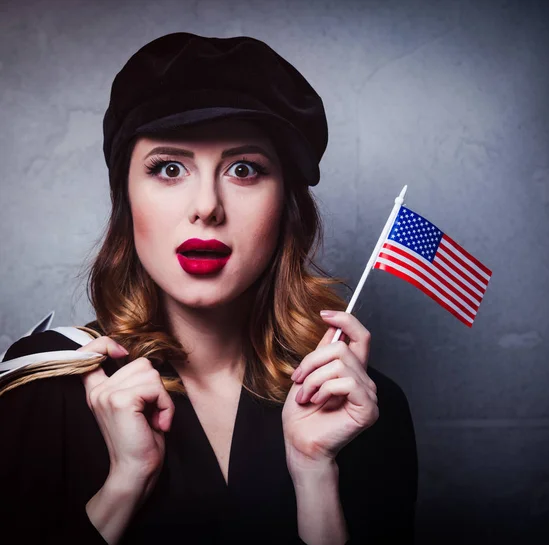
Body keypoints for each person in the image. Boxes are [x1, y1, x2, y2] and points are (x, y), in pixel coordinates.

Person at [0, 33, 417, 544]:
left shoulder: (359, 406)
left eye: (244, 170)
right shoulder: (43, 388)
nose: (206, 206)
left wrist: (315, 476)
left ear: (285, 207)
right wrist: (125, 484)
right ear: (125, 199)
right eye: (169, 168)